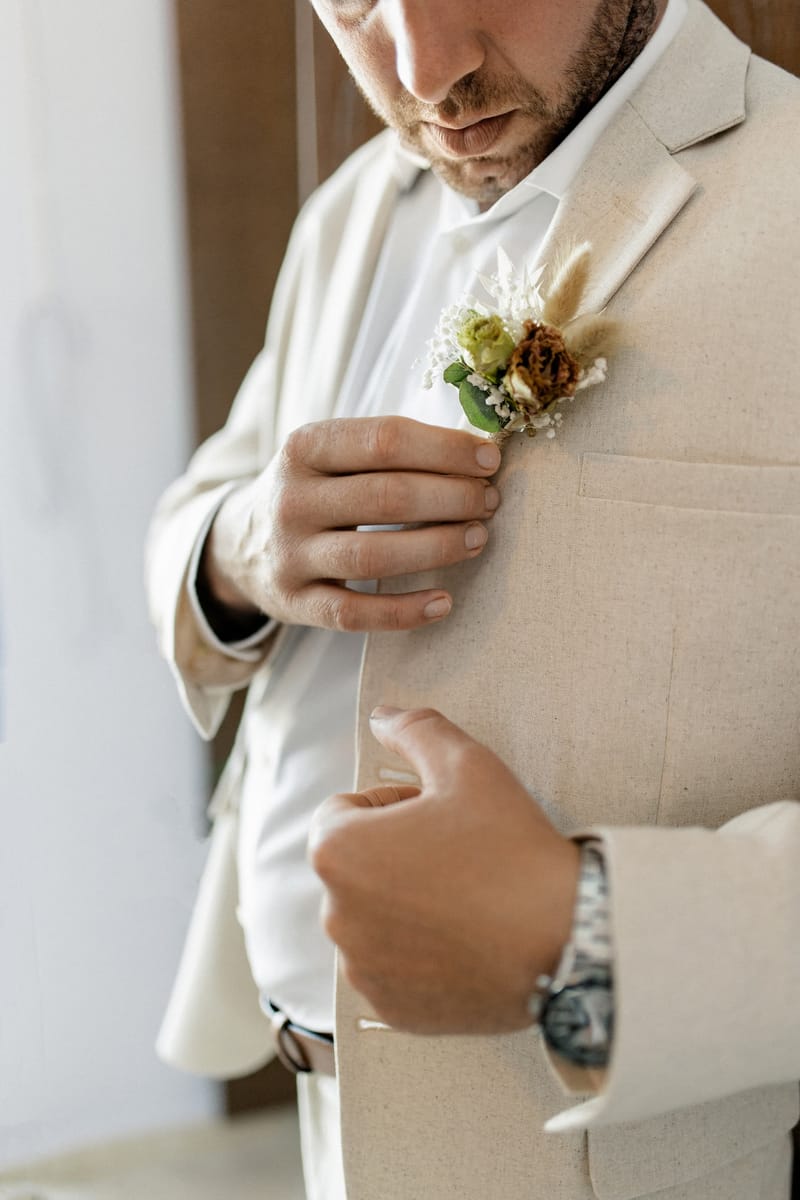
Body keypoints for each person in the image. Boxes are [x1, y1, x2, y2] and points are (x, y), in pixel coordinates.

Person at [146, 1, 800, 1197]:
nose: (424, 72)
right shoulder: (352, 209)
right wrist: (241, 550)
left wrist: (578, 929)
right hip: (318, 1128)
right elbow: (205, 499)